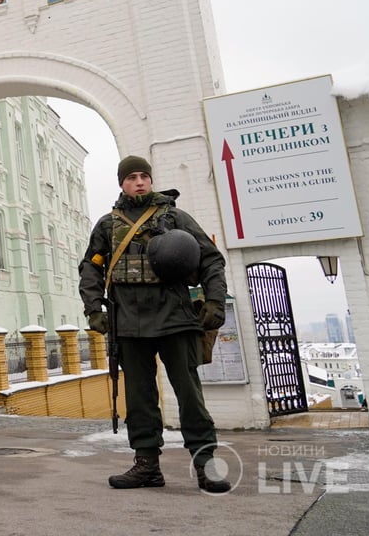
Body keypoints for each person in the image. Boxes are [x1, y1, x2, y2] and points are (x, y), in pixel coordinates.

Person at [78, 155, 231, 493]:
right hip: (128, 321)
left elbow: (210, 259)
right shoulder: (107, 225)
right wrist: (94, 310)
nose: (139, 181)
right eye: (132, 177)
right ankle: (146, 464)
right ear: (122, 183)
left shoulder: (174, 216)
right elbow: (91, 268)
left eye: (144, 175)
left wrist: (216, 300)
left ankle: (205, 464)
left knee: (189, 394)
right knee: (139, 396)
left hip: (175, 316)